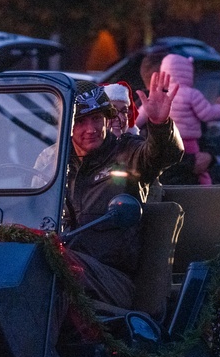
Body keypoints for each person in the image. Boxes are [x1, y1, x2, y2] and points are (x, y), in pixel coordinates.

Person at [60, 72, 184, 309]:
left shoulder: (127, 154)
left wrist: (159, 126)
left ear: (108, 119)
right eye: (80, 121)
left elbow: (163, 155)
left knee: (59, 268)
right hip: (68, 271)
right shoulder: (56, 166)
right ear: (66, 125)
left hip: (114, 278)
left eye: (96, 118)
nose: (91, 129)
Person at [159, 53, 220, 185]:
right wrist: (219, 106)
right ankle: (206, 188)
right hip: (190, 141)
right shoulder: (192, 94)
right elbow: (207, 114)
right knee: (200, 169)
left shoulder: (160, 96)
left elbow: (140, 116)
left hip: (169, 140)